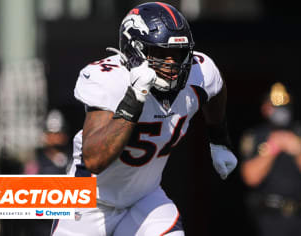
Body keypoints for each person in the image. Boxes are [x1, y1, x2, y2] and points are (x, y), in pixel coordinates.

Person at [52, 2, 237, 235]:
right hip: (89, 200)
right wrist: (134, 99)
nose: (172, 64)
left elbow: (216, 87)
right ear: (134, 51)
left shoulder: (198, 74)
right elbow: (94, 159)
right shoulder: (111, 80)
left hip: (144, 197)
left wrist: (219, 138)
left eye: (178, 54)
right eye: (161, 53)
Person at [240, 82, 301, 236]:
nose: (280, 111)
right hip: (269, 218)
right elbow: (250, 177)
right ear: (265, 108)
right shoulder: (256, 136)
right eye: (274, 106)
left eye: (283, 106)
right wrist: (272, 148)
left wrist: (298, 151)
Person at [24, 109, 72, 175]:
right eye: (51, 133)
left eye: (59, 132)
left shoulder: (72, 161)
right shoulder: (35, 164)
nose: (56, 137)